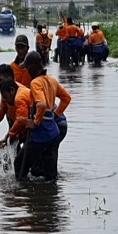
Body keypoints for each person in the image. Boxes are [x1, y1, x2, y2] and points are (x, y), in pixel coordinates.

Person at [19, 51, 71, 180]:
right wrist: (55, 114)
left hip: (40, 134)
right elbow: (66, 98)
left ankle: (22, 195)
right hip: (54, 134)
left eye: (27, 67)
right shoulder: (51, 80)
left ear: (33, 67)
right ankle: (50, 198)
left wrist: (35, 122)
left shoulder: (35, 83)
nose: (26, 70)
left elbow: (41, 104)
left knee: (19, 164)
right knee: (50, 174)